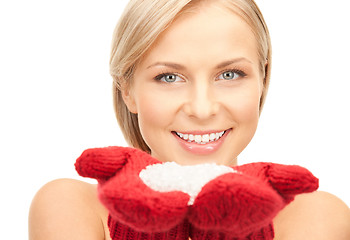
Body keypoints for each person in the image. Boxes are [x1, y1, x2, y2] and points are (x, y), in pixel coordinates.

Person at [28, 0, 350, 239]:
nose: (201, 108)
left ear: (262, 81)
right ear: (127, 89)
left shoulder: (316, 218)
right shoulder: (71, 207)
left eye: (229, 74)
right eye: (169, 77)